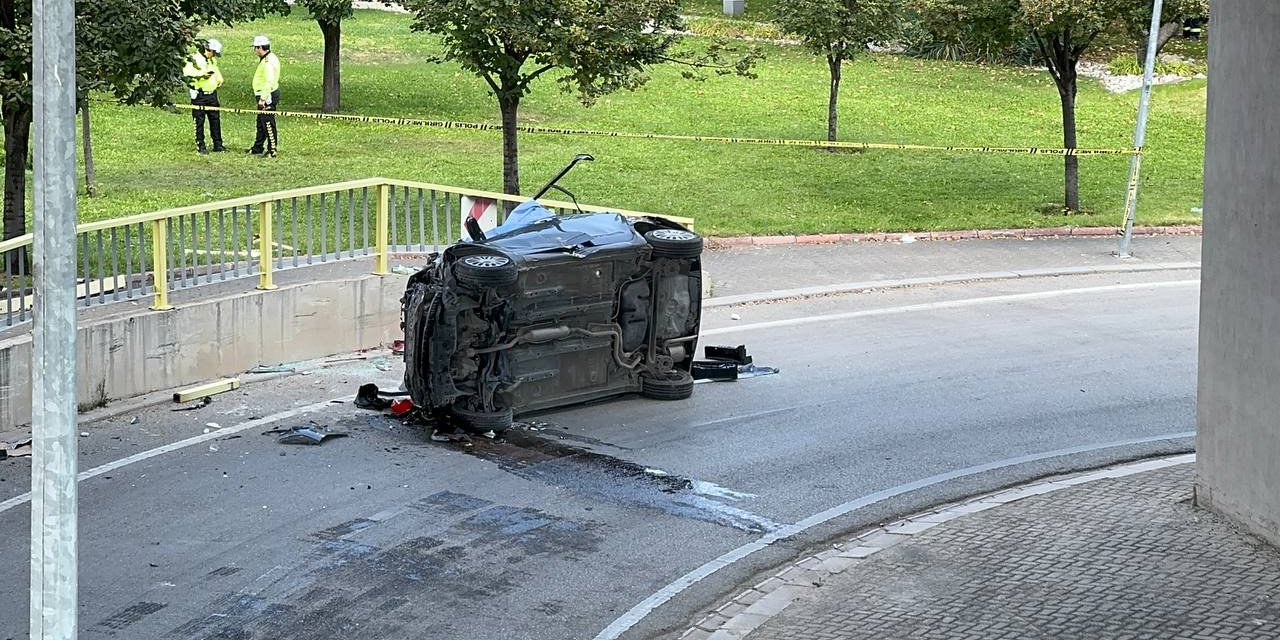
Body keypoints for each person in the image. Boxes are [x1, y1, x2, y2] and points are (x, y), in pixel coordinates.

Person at [182, 39, 225, 154]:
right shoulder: (193, 59)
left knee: (215, 119)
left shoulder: (211, 60)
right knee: (199, 121)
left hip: (212, 94)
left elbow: (215, 70)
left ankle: (218, 144)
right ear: (207, 49)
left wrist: (219, 79)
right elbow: (187, 74)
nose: (214, 55)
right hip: (199, 95)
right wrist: (201, 75)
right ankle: (200, 145)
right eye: (214, 52)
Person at [248, 35, 281, 157]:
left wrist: (263, 98)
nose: (254, 50)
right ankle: (258, 147)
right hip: (265, 94)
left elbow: (269, 81)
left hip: (267, 95)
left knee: (267, 122)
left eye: (255, 48)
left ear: (260, 47)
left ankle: (272, 149)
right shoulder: (268, 58)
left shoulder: (268, 62)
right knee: (260, 122)